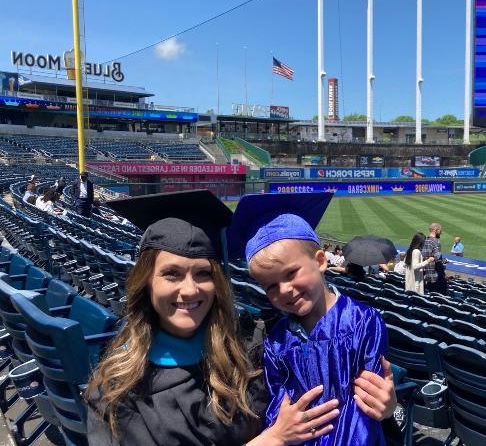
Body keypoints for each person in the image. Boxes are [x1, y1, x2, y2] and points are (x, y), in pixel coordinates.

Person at [86, 190, 395, 445]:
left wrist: (387, 407)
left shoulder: (250, 347)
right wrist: (269, 440)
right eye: (171, 274)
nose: (190, 290)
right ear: (147, 283)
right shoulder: (115, 389)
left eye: (204, 273)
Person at [229, 191, 396, 445]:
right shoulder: (276, 343)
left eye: (291, 273)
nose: (284, 290)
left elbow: (370, 403)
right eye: (270, 286)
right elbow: (278, 407)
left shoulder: (363, 322)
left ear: (320, 261)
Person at [422, 223, 447, 294]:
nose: (441, 233)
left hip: (427, 275)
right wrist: (444, 263)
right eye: (440, 231)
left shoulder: (424, 240)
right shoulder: (436, 241)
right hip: (436, 276)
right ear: (436, 230)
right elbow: (437, 257)